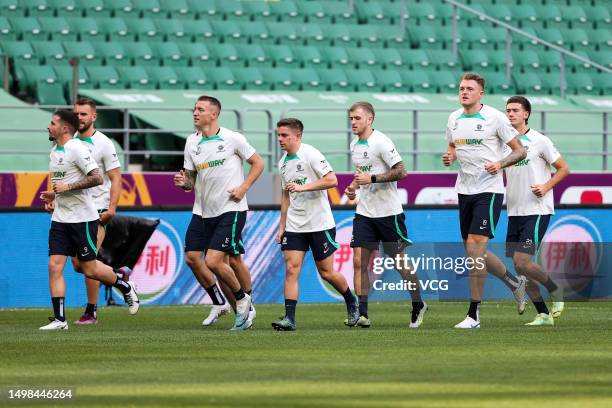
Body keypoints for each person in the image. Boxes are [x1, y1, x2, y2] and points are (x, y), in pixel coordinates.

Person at [39, 110, 139, 330]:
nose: (48, 126)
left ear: (64, 128)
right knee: (54, 266)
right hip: (60, 219)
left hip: (82, 219)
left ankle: (124, 285)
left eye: (52, 123)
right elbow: (61, 182)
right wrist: (53, 196)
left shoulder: (77, 149)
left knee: (89, 269)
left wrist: (68, 187)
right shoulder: (55, 150)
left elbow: (97, 177)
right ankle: (60, 320)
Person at [442, 73, 528, 329]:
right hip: (464, 189)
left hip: (489, 191)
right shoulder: (453, 118)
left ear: (481, 93)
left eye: (469, 89)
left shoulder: (495, 118)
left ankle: (474, 314)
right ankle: (514, 283)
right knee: (473, 250)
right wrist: (449, 157)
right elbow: (452, 146)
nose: (464, 92)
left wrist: (499, 164)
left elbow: (520, 150)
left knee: (475, 247)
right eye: (461, 88)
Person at [174, 95, 263, 331]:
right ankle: (235, 307)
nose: (195, 113)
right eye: (194, 109)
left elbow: (258, 163)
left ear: (214, 114)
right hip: (203, 211)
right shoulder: (191, 143)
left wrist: (243, 188)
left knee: (216, 260)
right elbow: (191, 181)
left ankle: (244, 301)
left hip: (230, 209)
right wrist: (184, 182)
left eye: (200, 109)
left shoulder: (232, 138)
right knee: (196, 258)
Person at [344, 101, 427, 329]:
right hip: (364, 213)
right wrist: (354, 186)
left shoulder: (381, 141)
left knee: (399, 262)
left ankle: (418, 303)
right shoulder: (354, 145)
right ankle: (362, 314)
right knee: (359, 260)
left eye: (357, 118)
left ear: (369, 119)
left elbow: (402, 171)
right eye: (351, 118)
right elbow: (361, 173)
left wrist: (370, 180)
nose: (353, 122)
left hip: (389, 213)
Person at [272, 118, 359, 331]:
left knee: (326, 272)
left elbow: (332, 180)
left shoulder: (311, 154)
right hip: (294, 225)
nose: (280, 139)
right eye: (278, 135)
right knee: (291, 269)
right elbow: (285, 195)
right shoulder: (282, 163)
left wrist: (304, 188)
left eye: (284, 135)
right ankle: (289, 319)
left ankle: (351, 300)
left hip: (320, 224)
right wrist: (281, 226)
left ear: (297, 136)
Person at [504, 96, 569, 326]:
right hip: (514, 210)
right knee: (518, 266)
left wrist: (545, 186)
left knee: (523, 262)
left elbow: (563, 168)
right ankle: (542, 313)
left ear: (526, 114)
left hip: (537, 209)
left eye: (515, 110)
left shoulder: (539, 140)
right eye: (508, 110)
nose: (510, 114)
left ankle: (555, 290)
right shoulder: (506, 142)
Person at [67, 97, 124, 325]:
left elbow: (116, 177)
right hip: (73, 211)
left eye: (83, 114)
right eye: (76, 114)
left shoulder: (104, 143)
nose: (79, 118)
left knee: (87, 260)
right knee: (78, 265)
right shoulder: (69, 141)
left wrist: (112, 208)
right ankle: (117, 276)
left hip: (97, 210)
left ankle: (91, 311)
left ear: (93, 116)